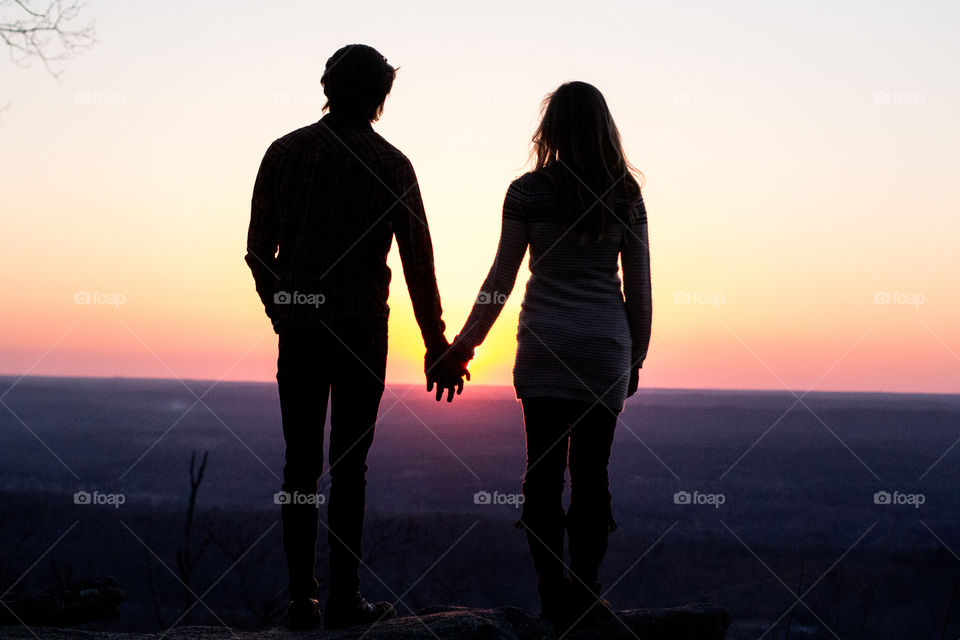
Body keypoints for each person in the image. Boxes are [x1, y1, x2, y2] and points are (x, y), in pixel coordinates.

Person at [245, 44, 468, 631]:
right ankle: (344, 599)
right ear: (380, 98)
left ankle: (301, 600)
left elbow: (257, 250)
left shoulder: (285, 153)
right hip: (362, 332)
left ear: (327, 86)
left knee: (299, 465)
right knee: (350, 467)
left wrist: (282, 310)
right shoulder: (393, 165)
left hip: (301, 333)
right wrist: (436, 342)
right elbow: (418, 262)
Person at [448, 81, 652, 632]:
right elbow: (639, 288)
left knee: (541, 476)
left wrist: (464, 344)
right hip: (604, 349)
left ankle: (551, 598)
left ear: (551, 127)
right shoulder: (625, 194)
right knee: (592, 474)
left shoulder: (527, 193)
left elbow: (500, 279)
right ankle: (586, 593)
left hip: (545, 347)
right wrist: (635, 358)